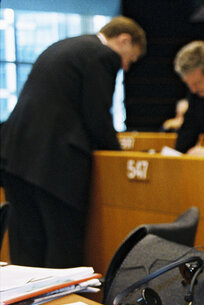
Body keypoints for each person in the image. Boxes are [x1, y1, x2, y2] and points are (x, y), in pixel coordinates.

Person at [0, 16, 146, 268]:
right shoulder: (102, 54)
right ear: (124, 40)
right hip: (55, 165)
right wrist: (118, 157)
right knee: (62, 250)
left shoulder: (64, 46)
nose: (126, 67)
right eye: (129, 59)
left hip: (15, 157)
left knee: (26, 249)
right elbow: (97, 114)